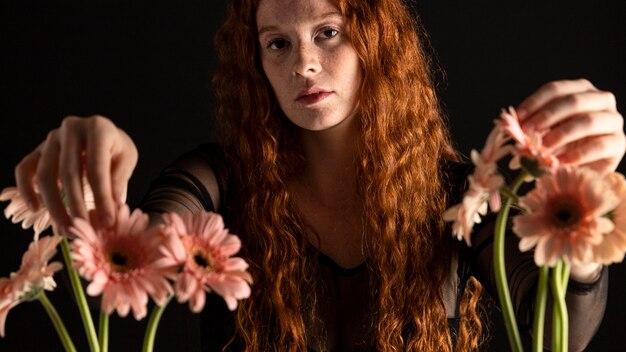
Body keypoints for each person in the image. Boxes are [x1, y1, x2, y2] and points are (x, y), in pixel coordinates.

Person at [11, 0, 624, 350]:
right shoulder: (218, 180)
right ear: (255, 62)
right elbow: (149, 252)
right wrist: (101, 174)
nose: (304, 62)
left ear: (375, 41)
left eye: (327, 33)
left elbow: (557, 330)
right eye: (277, 43)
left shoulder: (459, 195)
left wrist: (581, 223)